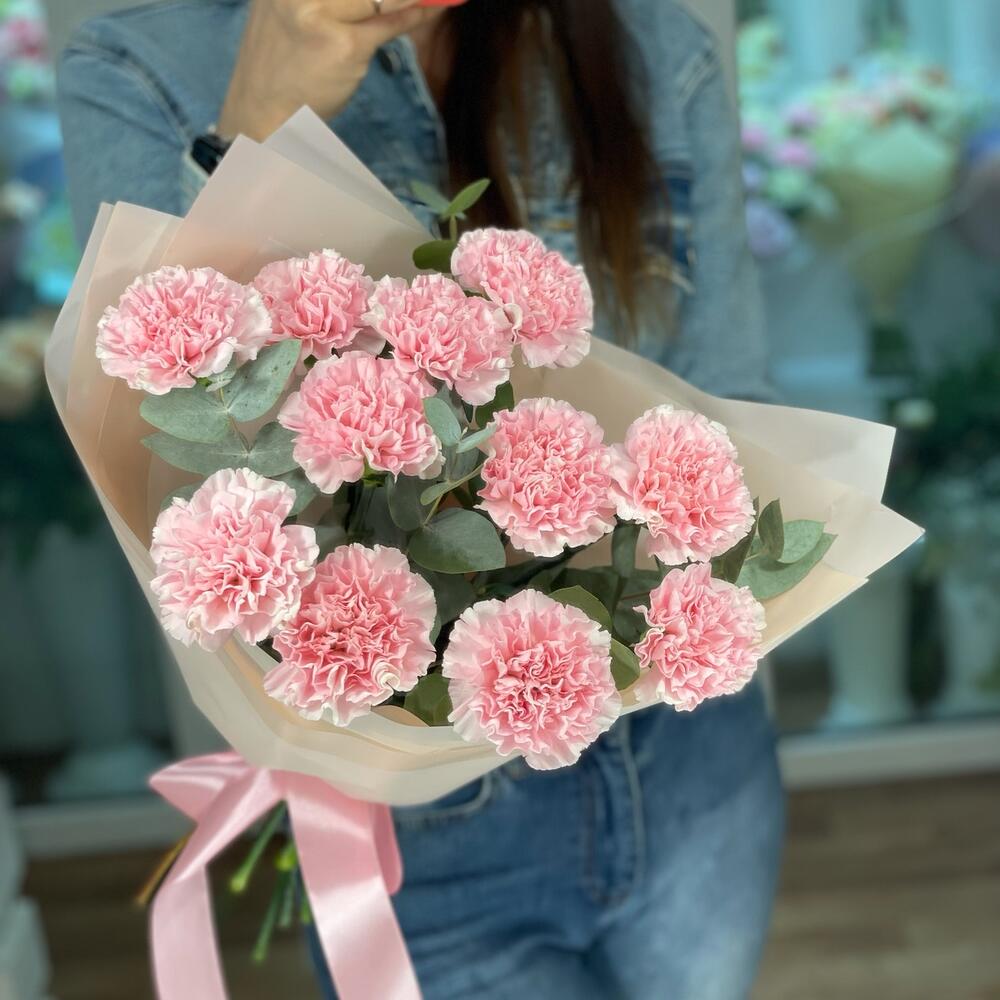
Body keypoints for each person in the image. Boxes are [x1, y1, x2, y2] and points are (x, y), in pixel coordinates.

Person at [57, 2, 783, 997]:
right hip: (418, 833)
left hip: (691, 760)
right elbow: (163, 480)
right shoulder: (140, 65)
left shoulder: (650, 41)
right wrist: (255, 126)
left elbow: (735, 417)